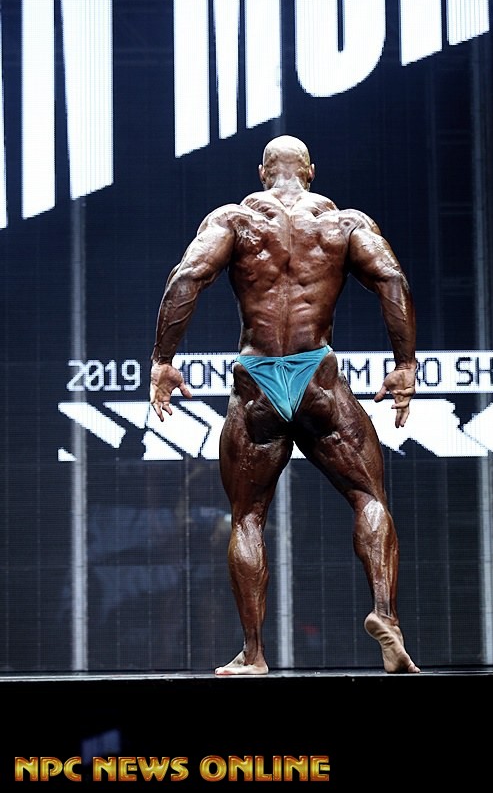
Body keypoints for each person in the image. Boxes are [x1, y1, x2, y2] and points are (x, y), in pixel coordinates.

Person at [150, 135, 420, 675]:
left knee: (248, 516)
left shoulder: (234, 220)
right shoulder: (344, 224)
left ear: (262, 172)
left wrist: (163, 359)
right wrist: (405, 364)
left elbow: (187, 277)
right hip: (316, 376)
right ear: (311, 171)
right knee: (368, 496)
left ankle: (254, 654)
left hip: (258, 382)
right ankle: (384, 614)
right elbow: (391, 278)